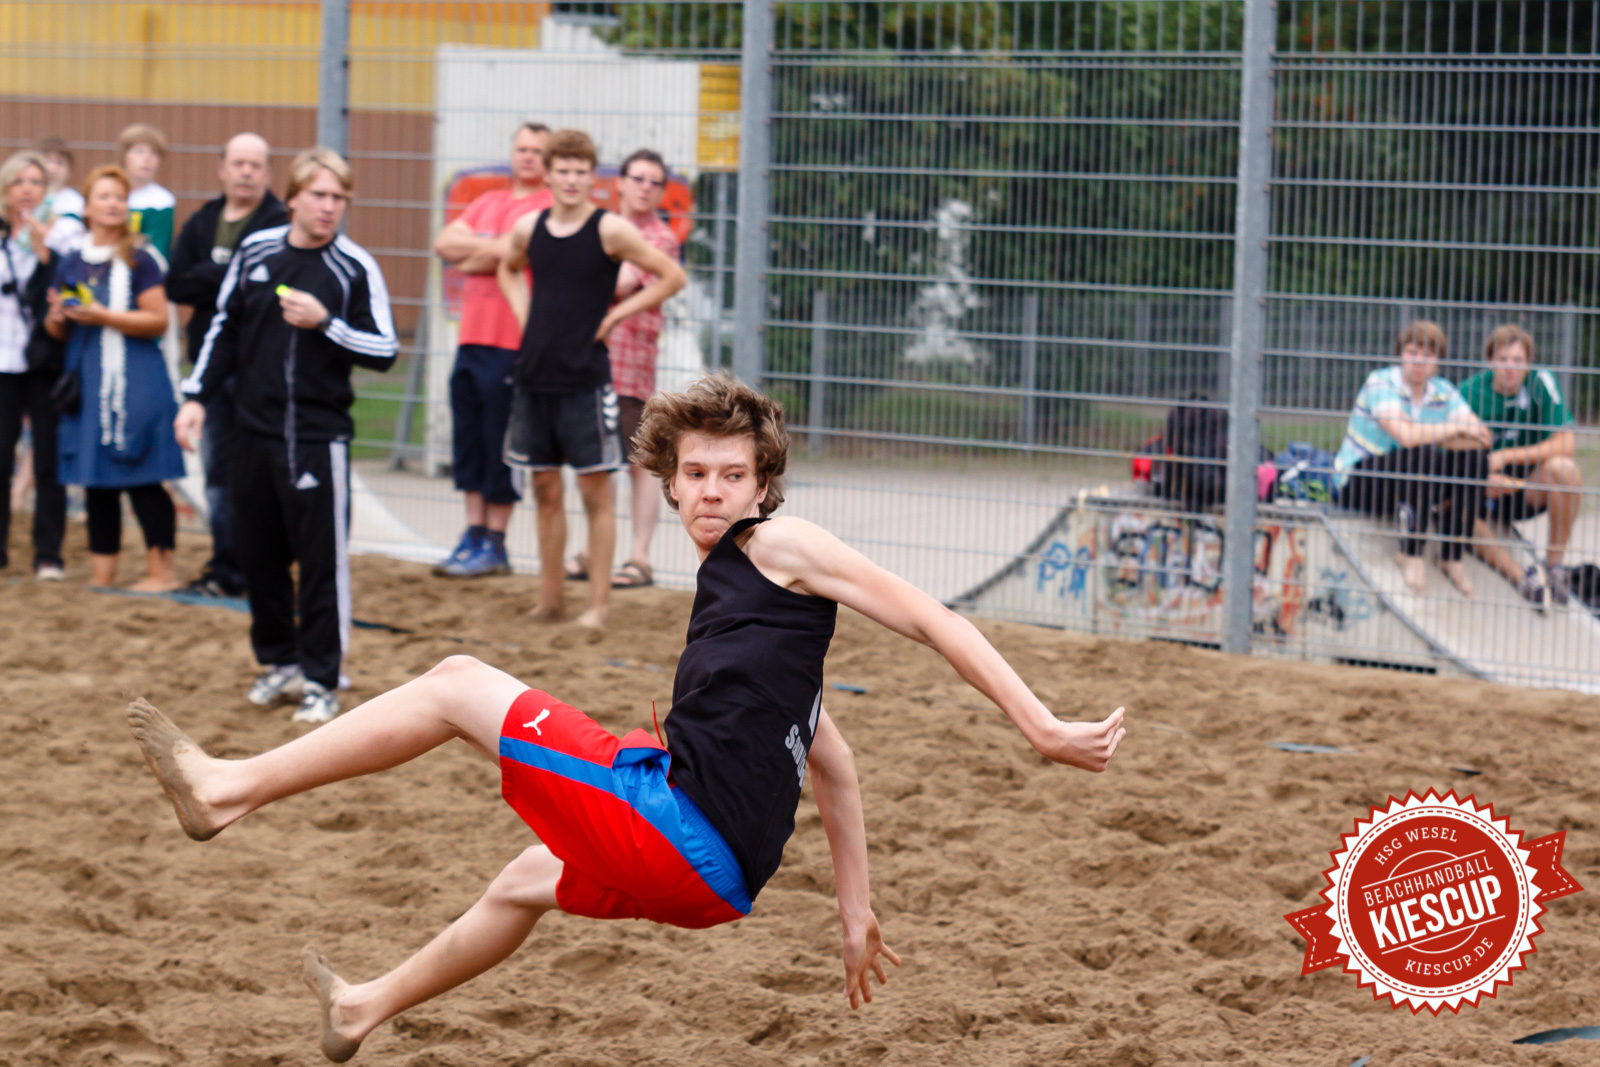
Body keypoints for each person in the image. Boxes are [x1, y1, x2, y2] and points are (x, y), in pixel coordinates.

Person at [125, 373, 1128, 1063]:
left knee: (456, 679)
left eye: (732, 474)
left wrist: (1036, 722)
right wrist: (854, 911)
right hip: (717, 879)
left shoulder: (780, 543)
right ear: (669, 476)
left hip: (681, 832)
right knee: (523, 880)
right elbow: (837, 761)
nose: (712, 491)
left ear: (763, 484)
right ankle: (361, 1007)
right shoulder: (767, 631)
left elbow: (928, 616)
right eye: (695, 473)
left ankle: (227, 787)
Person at [175, 147, 398, 724]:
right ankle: (279, 662)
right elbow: (223, 327)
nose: (329, 208)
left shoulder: (354, 267)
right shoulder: (256, 250)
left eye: (339, 198)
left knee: (320, 563)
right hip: (251, 430)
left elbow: (384, 349)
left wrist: (327, 322)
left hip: (318, 437)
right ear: (294, 197)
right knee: (257, 556)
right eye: (319, 195)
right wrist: (196, 397)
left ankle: (323, 678)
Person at [496, 129, 686, 630]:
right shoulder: (528, 228)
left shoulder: (611, 231)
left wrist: (616, 315)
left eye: (582, 171)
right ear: (549, 174)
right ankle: (551, 598)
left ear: (592, 177)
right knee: (544, 489)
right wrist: (525, 318)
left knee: (595, 493)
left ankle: (598, 607)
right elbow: (507, 270)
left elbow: (671, 276)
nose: (572, 179)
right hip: (536, 377)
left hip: (587, 379)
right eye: (563, 170)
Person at [43, 165, 183, 591]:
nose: (113, 204)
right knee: (98, 482)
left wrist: (103, 316)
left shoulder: (140, 259)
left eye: (119, 197)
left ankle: (162, 572)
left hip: (138, 380)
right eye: (104, 196)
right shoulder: (72, 261)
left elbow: (158, 320)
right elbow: (58, 330)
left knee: (144, 477)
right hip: (88, 380)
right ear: (86, 207)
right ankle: (104, 575)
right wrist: (56, 316)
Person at [166, 132, 288, 598]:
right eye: (238, 163)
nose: (246, 172)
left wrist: (212, 277)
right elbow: (178, 282)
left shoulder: (278, 222)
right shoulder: (204, 220)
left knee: (263, 475)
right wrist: (232, 277)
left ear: (268, 172)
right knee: (218, 471)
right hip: (211, 368)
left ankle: (263, 567)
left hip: (261, 373)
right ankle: (226, 567)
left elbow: (267, 291)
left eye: (255, 165)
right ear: (222, 168)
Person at [430, 122, 552, 578]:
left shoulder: (548, 208)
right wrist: (498, 249)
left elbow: (520, 254)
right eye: (521, 148)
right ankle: (473, 532)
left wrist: (475, 253)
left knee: (500, 442)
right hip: (471, 339)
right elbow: (445, 245)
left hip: (512, 343)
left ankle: (496, 542)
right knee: (469, 441)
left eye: (537, 151)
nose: (528, 157)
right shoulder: (488, 202)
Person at [576, 147, 681, 590]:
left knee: (637, 461)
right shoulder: (604, 228)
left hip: (629, 365)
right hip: (590, 361)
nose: (645, 187)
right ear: (619, 183)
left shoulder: (659, 238)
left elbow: (616, 285)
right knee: (593, 461)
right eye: (638, 178)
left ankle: (639, 557)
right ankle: (593, 552)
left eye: (654, 182)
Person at [1333, 320, 1491, 597]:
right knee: (1423, 451)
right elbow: (1406, 437)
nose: (1419, 362)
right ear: (1400, 354)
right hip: (1361, 483)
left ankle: (1451, 557)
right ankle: (1411, 553)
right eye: (1412, 352)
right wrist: (1454, 428)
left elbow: (1481, 437)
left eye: (1428, 355)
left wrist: (1435, 433)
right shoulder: (1379, 382)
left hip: (1410, 482)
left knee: (1474, 457)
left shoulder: (1443, 390)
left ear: (1438, 361)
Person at [1460, 324, 1585, 607]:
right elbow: (1449, 448)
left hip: (1525, 485)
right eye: (1503, 360)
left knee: (1565, 470)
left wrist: (1506, 457)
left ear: (1528, 363)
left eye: (1518, 361)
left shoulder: (1542, 382)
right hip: (1482, 485)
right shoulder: (1469, 391)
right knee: (1456, 507)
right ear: (1490, 361)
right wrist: (1482, 477)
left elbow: (1567, 444)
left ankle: (1555, 568)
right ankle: (1524, 579)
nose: (1510, 368)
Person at [0, 150, 68, 580]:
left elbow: (59, 305)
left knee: (49, 463)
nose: (27, 190)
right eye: (18, 182)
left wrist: (45, 256)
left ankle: (49, 556)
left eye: (36, 182)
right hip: (2, 365)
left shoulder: (61, 245)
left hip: (43, 367)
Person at [119, 124, 176, 261]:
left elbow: (157, 250)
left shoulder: (161, 201)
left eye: (154, 153)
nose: (146, 158)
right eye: (139, 151)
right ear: (125, 157)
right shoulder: (110, 192)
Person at [32, 137, 85, 250]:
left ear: (69, 171)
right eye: (47, 160)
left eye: (60, 163)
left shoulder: (75, 202)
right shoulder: (28, 196)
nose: (52, 169)